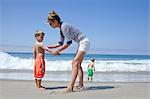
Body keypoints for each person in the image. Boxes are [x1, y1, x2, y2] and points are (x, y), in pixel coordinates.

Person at [47, 11, 90, 92]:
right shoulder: (61, 29)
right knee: (78, 64)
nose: (50, 25)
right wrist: (48, 47)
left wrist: (57, 51)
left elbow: (69, 43)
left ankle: (70, 87)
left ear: (55, 21)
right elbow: (60, 43)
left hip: (84, 42)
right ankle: (81, 85)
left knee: (74, 63)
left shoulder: (64, 27)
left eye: (50, 23)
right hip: (82, 42)